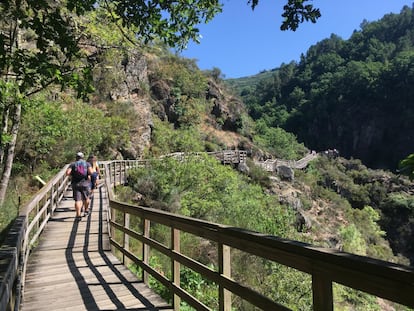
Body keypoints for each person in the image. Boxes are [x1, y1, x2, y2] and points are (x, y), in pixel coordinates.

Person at [66, 152, 93, 220]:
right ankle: (86, 210)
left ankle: (78, 215)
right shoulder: (87, 163)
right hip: (85, 183)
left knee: (78, 200)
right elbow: (91, 172)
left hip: (75, 184)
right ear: (83, 157)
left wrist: (73, 174)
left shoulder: (73, 164)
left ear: (76, 157)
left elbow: (67, 173)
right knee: (86, 198)